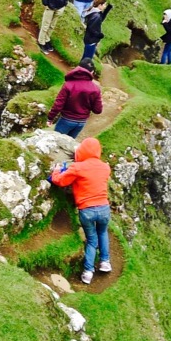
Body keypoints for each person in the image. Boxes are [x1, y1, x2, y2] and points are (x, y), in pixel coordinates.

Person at [51, 137, 112, 285]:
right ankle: (105, 262)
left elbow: (60, 181)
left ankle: (88, 272)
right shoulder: (105, 167)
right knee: (103, 232)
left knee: (92, 240)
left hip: (87, 210)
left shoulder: (78, 168)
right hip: (104, 208)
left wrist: (56, 171)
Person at [49, 58, 103, 138]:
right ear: (92, 72)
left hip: (66, 120)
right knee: (69, 142)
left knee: (56, 140)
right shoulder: (95, 89)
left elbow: (58, 104)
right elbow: (98, 110)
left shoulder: (68, 84)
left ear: (78, 68)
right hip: (81, 122)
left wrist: (50, 118)